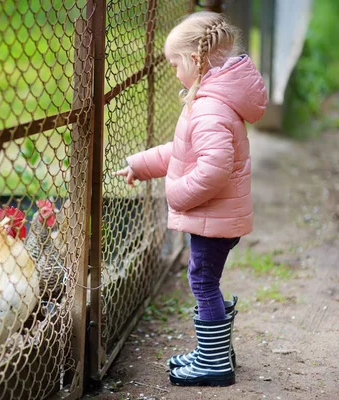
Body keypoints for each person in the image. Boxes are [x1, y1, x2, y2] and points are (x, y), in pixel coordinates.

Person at [114, 11, 267, 386]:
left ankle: (214, 364)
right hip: (217, 216)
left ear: (195, 61)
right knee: (205, 280)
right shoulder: (209, 98)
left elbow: (213, 168)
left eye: (174, 64)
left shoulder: (210, 108)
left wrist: (177, 194)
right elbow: (183, 153)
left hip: (213, 218)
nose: (173, 72)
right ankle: (213, 353)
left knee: (202, 282)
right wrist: (141, 164)